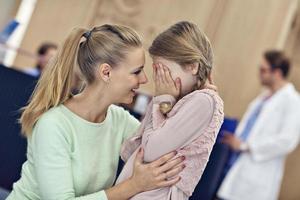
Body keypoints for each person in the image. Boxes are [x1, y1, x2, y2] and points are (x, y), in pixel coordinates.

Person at [7, 24, 185, 200]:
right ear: (106, 72)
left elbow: (162, 147)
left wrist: (169, 102)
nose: (144, 79)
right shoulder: (53, 125)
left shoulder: (119, 119)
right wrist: (134, 185)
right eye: (137, 71)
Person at [116, 21, 224, 199]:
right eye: (157, 72)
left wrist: (161, 100)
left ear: (192, 66)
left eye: (164, 72)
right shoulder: (182, 99)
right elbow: (133, 147)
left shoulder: (204, 101)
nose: (160, 81)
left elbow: (149, 150)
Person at [217, 50, 300, 200]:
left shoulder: (292, 101)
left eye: (263, 70)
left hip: (256, 179)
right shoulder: (263, 98)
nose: (259, 74)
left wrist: (245, 146)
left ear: (277, 73)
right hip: (235, 169)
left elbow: (287, 140)